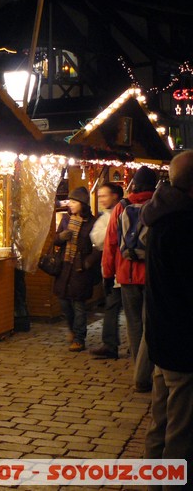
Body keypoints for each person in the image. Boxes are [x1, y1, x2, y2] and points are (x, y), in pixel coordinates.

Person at [141, 150, 193, 467]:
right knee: (181, 434)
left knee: (159, 424)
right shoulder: (184, 225)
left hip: (161, 336)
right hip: (182, 342)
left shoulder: (161, 216)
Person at [102, 165, 157, 391]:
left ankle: (139, 372)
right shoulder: (157, 206)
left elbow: (111, 243)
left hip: (126, 274)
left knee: (133, 325)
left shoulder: (122, 207)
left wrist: (107, 273)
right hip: (151, 276)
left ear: (134, 184)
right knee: (151, 324)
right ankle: (150, 371)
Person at [52, 187, 99, 351]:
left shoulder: (93, 222)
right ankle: (72, 330)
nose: (69, 204)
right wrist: (61, 237)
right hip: (65, 266)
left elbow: (98, 247)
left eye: (73, 202)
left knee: (78, 305)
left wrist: (88, 262)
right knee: (64, 302)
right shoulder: (65, 220)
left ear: (82, 204)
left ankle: (79, 338)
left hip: (80, 269)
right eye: (69, 201)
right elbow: (56, 241)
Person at [89, 182, 124, 359]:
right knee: (113, 308)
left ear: (115, 196)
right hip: (113, 270)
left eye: (104, 195)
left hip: (120, 271)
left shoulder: (118, 215)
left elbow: (101, 240)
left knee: (114, 308)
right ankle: (111, 344)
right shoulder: (105, 217)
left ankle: (111, 345)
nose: (101, 199)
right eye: (99, 196)